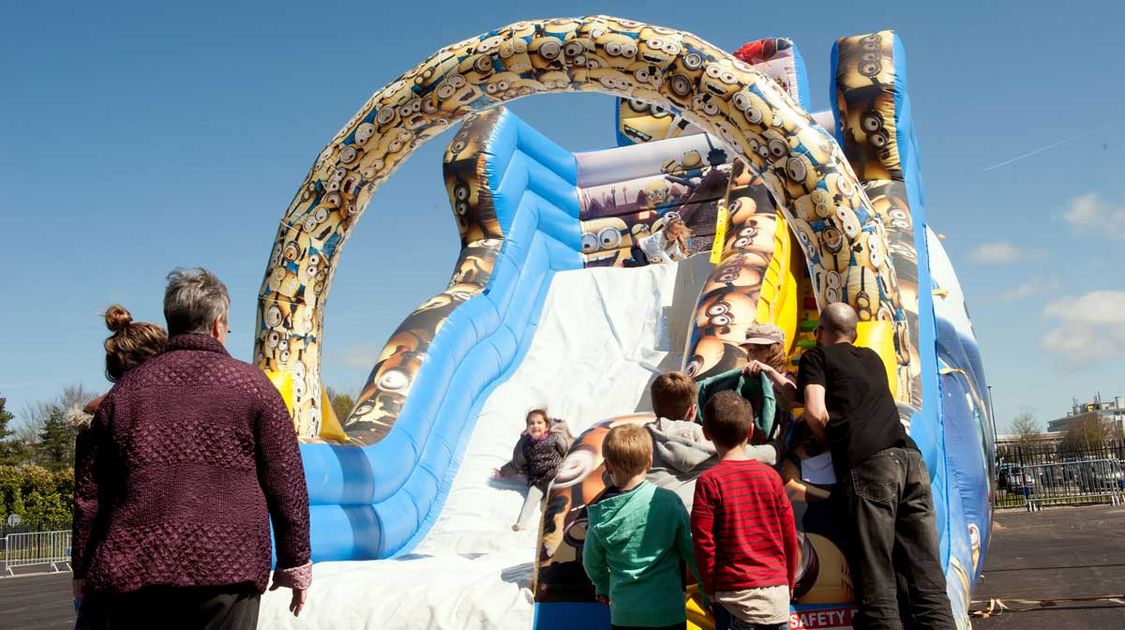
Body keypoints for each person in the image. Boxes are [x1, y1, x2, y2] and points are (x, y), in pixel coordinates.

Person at [71, 268, 311, 629]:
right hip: (228, 570)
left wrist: (82, 569)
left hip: (134, 573)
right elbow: (286, 480)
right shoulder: (254, 387)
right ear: (218, 324)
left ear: (172, 321)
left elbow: (90, 495)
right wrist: (295, 563)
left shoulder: (123, 394)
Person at [797, 302, 954, 630]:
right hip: (909, 460)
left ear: (818, 333)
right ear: (854, 334)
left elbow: (814, 411)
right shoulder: (872, 358)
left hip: (870, 466)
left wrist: (833, 443)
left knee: (876, 578)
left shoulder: (816, 356)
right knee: (926, 578)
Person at [69, 306, 168, 629]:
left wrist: (80, 571)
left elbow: (86, 503)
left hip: (112, 566)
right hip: (175, 567)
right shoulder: (180, 415)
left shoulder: (99, 419)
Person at [692, 391, 797, 630]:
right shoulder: (771, 477)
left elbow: (703, 543)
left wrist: (710, 588)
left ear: (706, 433)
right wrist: (787, 582)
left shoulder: (709, 482)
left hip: (733, 601)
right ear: (750, 430)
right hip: (776, 599)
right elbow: (789, 536)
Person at [583, 423, 702, 630]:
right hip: (668, 612)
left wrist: (602, 586)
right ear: (649, 461)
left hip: (625, 616)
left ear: (608, 467)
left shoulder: (601, 513)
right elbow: (691, 551)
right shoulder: (669, 502)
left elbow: (592, 563)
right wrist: (704, 586)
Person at [696, 323, 796, 441]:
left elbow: (793, 395)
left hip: (775, 442)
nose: (752, 354)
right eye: (750, 350)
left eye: (758, 349)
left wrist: (770, 371)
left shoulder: (784, 376)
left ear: (773, 350)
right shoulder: (745, 375)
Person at [494, 409, 572, 531]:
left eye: (539, 423)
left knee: (553, 496)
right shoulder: (526, 446)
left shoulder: (554, 439)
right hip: (538, 480)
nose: (535, 426)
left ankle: (551, 520)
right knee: (531, 498)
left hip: (554, 475)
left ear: (546, 427)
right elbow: (517, 463)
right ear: (527, 428)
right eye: (532, 423)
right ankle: (521, 523)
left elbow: (565, 450)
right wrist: (503, 472)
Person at [623, 216, 692, 268]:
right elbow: (659, 252)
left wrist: (687, 261)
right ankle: (624, 262)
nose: (673, 236)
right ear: (666, 230)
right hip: (638, 248)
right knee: (642, 266)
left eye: (676, 234)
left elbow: (677, 254)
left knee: (649, 267)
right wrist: (672, 264)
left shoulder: (674, 242)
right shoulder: (659, 235)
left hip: (648, 254)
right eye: (672, 232)